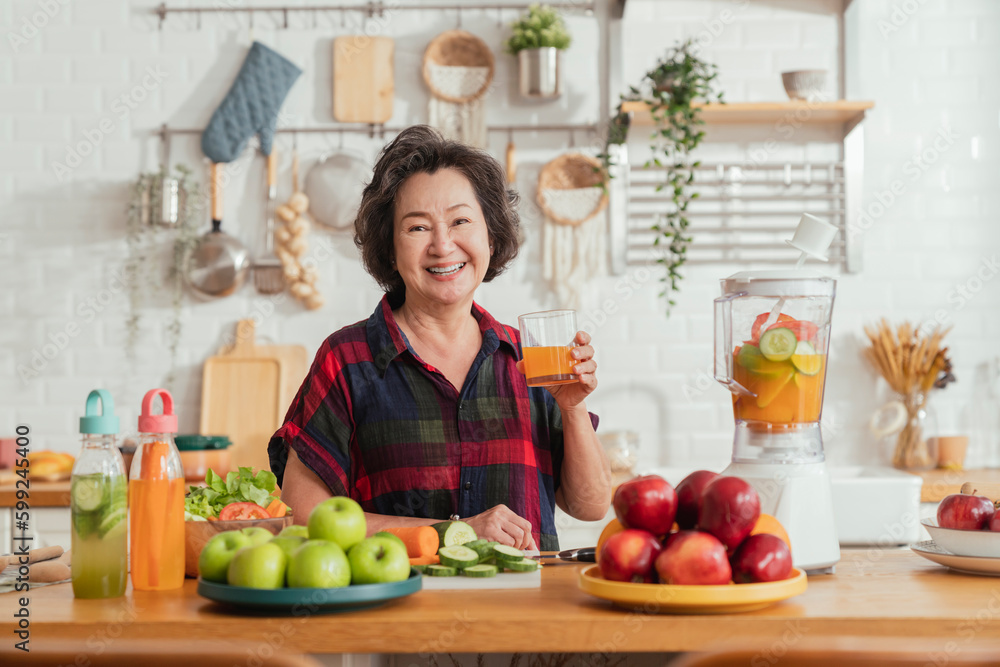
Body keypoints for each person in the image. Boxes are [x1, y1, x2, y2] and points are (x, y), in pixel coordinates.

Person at [268, 125, 611, 551]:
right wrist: (448, 532)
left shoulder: (530, 357)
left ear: (490, 234)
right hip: (395, 608)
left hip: (523, 612)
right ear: (391, 248)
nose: (443, 245)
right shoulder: (348, 357)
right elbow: (304, 515)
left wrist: (573, 408)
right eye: (417, 228)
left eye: (461, 221)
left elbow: (591, 505)